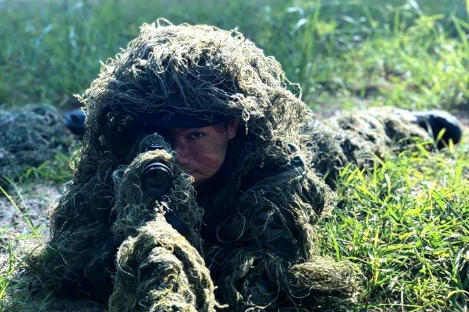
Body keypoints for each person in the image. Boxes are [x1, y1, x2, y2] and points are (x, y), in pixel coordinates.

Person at [31, 20, 462, 312]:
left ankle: (407, 121)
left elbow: (267, 275)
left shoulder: (274, 169)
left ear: (231, 127)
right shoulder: (122, 166)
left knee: (339, 143)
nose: (180, 155)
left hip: (301, 151)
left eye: (196, 136)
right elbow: (71, 260)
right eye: (166, 137)